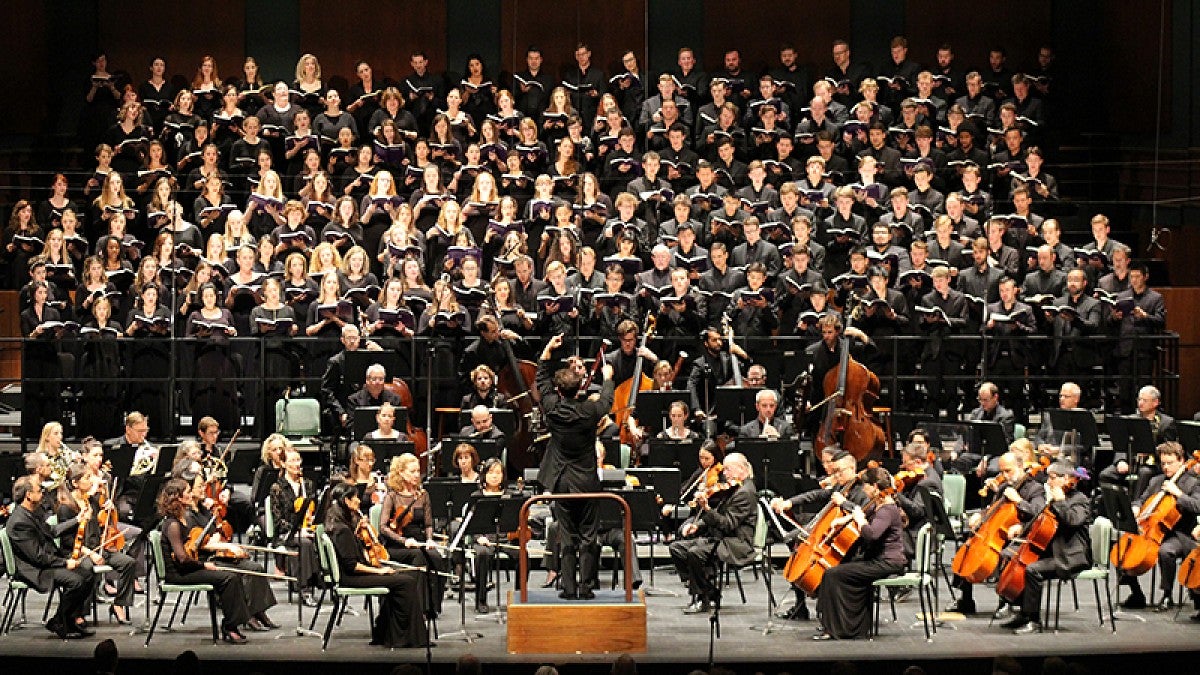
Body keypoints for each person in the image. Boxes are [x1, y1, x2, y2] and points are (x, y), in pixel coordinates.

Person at [536, 333, 615, 600]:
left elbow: (541, 381)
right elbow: (606, 402)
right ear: (580, 386)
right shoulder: (589, 411)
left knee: (567, 534)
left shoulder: (551, 407)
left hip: (562, 480)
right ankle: (586, 586)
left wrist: (548, 351)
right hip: (586, 480)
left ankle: (568, 588)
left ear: (559, 390)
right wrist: (607, 378)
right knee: (589, 535)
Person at [324, 481, 430, 648]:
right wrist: (380, 572)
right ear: (346, 501)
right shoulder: (342, 530)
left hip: (352, 574)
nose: (359, 501)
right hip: (351, 577)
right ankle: (403, 638)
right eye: (356, 498)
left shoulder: (339, 523)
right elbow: (352, 566)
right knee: (406, 581)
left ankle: (385, 634)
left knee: (402, 578)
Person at [813, 465, 907, 640]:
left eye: (866, 486)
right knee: (838, 571)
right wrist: (847, 518)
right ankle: (844, 625)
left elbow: (871, 535)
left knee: (833, 574)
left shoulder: (887, 509)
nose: (864, 489)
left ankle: (838, 628)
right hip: (876, 560)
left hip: (887, 562)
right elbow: (863, 513)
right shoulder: (878, 504)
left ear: (875, 487)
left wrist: (860, 520)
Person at [155, 478, 254, 643]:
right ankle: (230, 627)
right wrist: (204, 565)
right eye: (187, 492)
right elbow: (181, 558)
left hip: (188, 569)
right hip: (179, 574)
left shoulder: (184, 519)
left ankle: (233, 624)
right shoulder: (172, 524)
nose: (190, 494)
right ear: (178, 498)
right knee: (228, 578)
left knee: (231, 575)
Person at [945, 451, 1044, 615]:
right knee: (967, 545)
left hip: (1021, 536)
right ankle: (966, 599)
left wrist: (1018, 501)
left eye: (1008, 471)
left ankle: (1006, 601)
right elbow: (994, 511)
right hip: (999, 534)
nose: (1004, 475)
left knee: (1006, 554)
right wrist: (980, 515)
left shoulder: (1035, 489)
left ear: (1020, 467)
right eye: (1002, 471)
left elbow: (1038, 513)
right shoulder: (1005, 487)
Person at [1000, 459, 1093, 634]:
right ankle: (1022, 612)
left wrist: (1060, 501)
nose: (1048, 482)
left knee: (1032, 570)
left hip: (1071, 556)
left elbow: (1072, 521)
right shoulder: (1053, 498)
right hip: (1053, 552)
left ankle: (1034, 621)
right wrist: (1023, 527)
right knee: (1009, 555)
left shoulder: (1080, 500)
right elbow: (1041, 522)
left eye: (1052, 478)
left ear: (1066, 478)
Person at [6, 475, 95, 639]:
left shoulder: (32, 513)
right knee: (76, 581)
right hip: (34, 569)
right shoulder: (19, 522)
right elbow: (37, 557)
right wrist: (65, 562)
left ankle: (65, 620)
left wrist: (77, 519)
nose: (43, 494)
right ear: (28, 495)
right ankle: (60, 621)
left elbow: (52, 531)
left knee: (88, 575)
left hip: (43, 563)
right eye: (39, 491)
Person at [669, 451, 758, 614]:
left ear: (741, 469)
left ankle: (702, 597)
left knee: (695, 553)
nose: (724, 473)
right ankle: (709, 591)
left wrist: (707, 509)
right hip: (721, 538)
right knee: (677, 548)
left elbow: (728, 524)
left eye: (727, 469)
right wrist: (698, 525)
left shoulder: (745, 492)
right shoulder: (735, 487)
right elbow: (721, 512)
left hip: (736, 542)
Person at [1116, 442, 1200, 611]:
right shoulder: (1156, 481)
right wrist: (1136, 507)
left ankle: (1167, 594)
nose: (1166, 467)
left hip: (1180, 534)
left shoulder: (1193, 483)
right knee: (1123, 549)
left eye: (1170, 463)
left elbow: (1197, 505)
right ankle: (1137, 594)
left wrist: (1178, 494)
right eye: (1163, 463)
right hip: (1153, 530)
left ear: (1181, 461)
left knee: (1166, 551)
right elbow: (1141, 499)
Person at [379, 453, 446, 613]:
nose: (417, 475)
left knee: (437, 558)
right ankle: (417, 608)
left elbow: (428, 524)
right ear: (401, 473)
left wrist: (429, 539)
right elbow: (383, 527)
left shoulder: (423, 496)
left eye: (418, 471)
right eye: (412, 471)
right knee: (418, 557)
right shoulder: (392, 497)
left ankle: (432, 607)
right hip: (397, 544)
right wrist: (404, 541)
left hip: (419, 541)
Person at [267, 445, 319, 604]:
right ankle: (306, 588)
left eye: (298, 460)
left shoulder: (308, 485)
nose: (297, 464)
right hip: (286, 533)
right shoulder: (277, 488)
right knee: (305, 543)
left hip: (306, 529)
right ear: (283, 464)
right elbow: (278, 521)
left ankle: (328, 581)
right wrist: (297, 530)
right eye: (292, 461)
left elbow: (313, 511)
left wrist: (310, 524)